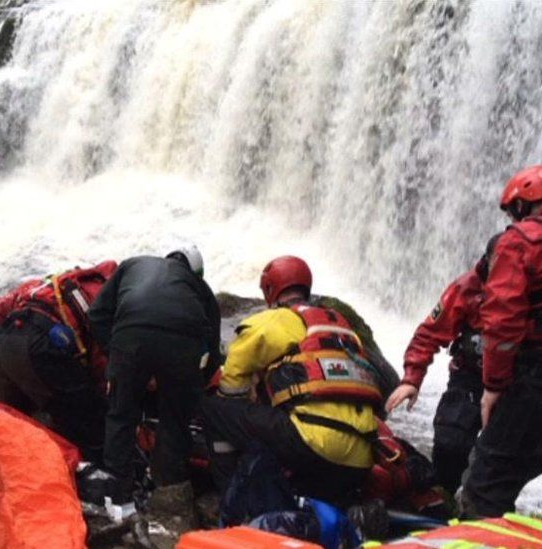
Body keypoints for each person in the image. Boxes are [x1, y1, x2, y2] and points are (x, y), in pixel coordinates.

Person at [202, 256, 381, 508]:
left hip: (313, 445)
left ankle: (229, 499)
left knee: (215, 411)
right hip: (361, 459)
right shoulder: (342, 327)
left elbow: (232, 384)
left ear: (270, 291)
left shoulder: (277, 320)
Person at [87, 245, 221, 526]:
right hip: (182, 345)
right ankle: (169, 497)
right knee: (175, 420)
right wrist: (191, 385)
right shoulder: (199, 286)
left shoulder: (132, 264)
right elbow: (213, 349)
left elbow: (97, 315)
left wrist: (119, 357)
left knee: (121, 417)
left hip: (129, 336)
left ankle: (120, 504)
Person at [0, 260, 117, 462]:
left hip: (0, 342)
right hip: (39, 347)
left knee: (12, 436)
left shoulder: (44, 285)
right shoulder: (109, 299)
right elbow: (102, 362)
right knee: (93, 426)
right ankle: (106, 483)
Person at [386, 235, 500, 496]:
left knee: (502, 462)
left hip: (518, 381)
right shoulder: (467, 288)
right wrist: (411, 379)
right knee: (450, 442)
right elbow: (429, 333)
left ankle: (492, 511)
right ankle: (443, 499)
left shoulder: (532, 289)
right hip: (471, 376)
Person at [461, 165, 542, 518]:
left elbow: (503, 323)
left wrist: (493, 386)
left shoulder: (518, 242)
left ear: (523, 207)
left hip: (532, 378)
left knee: (484, 486)